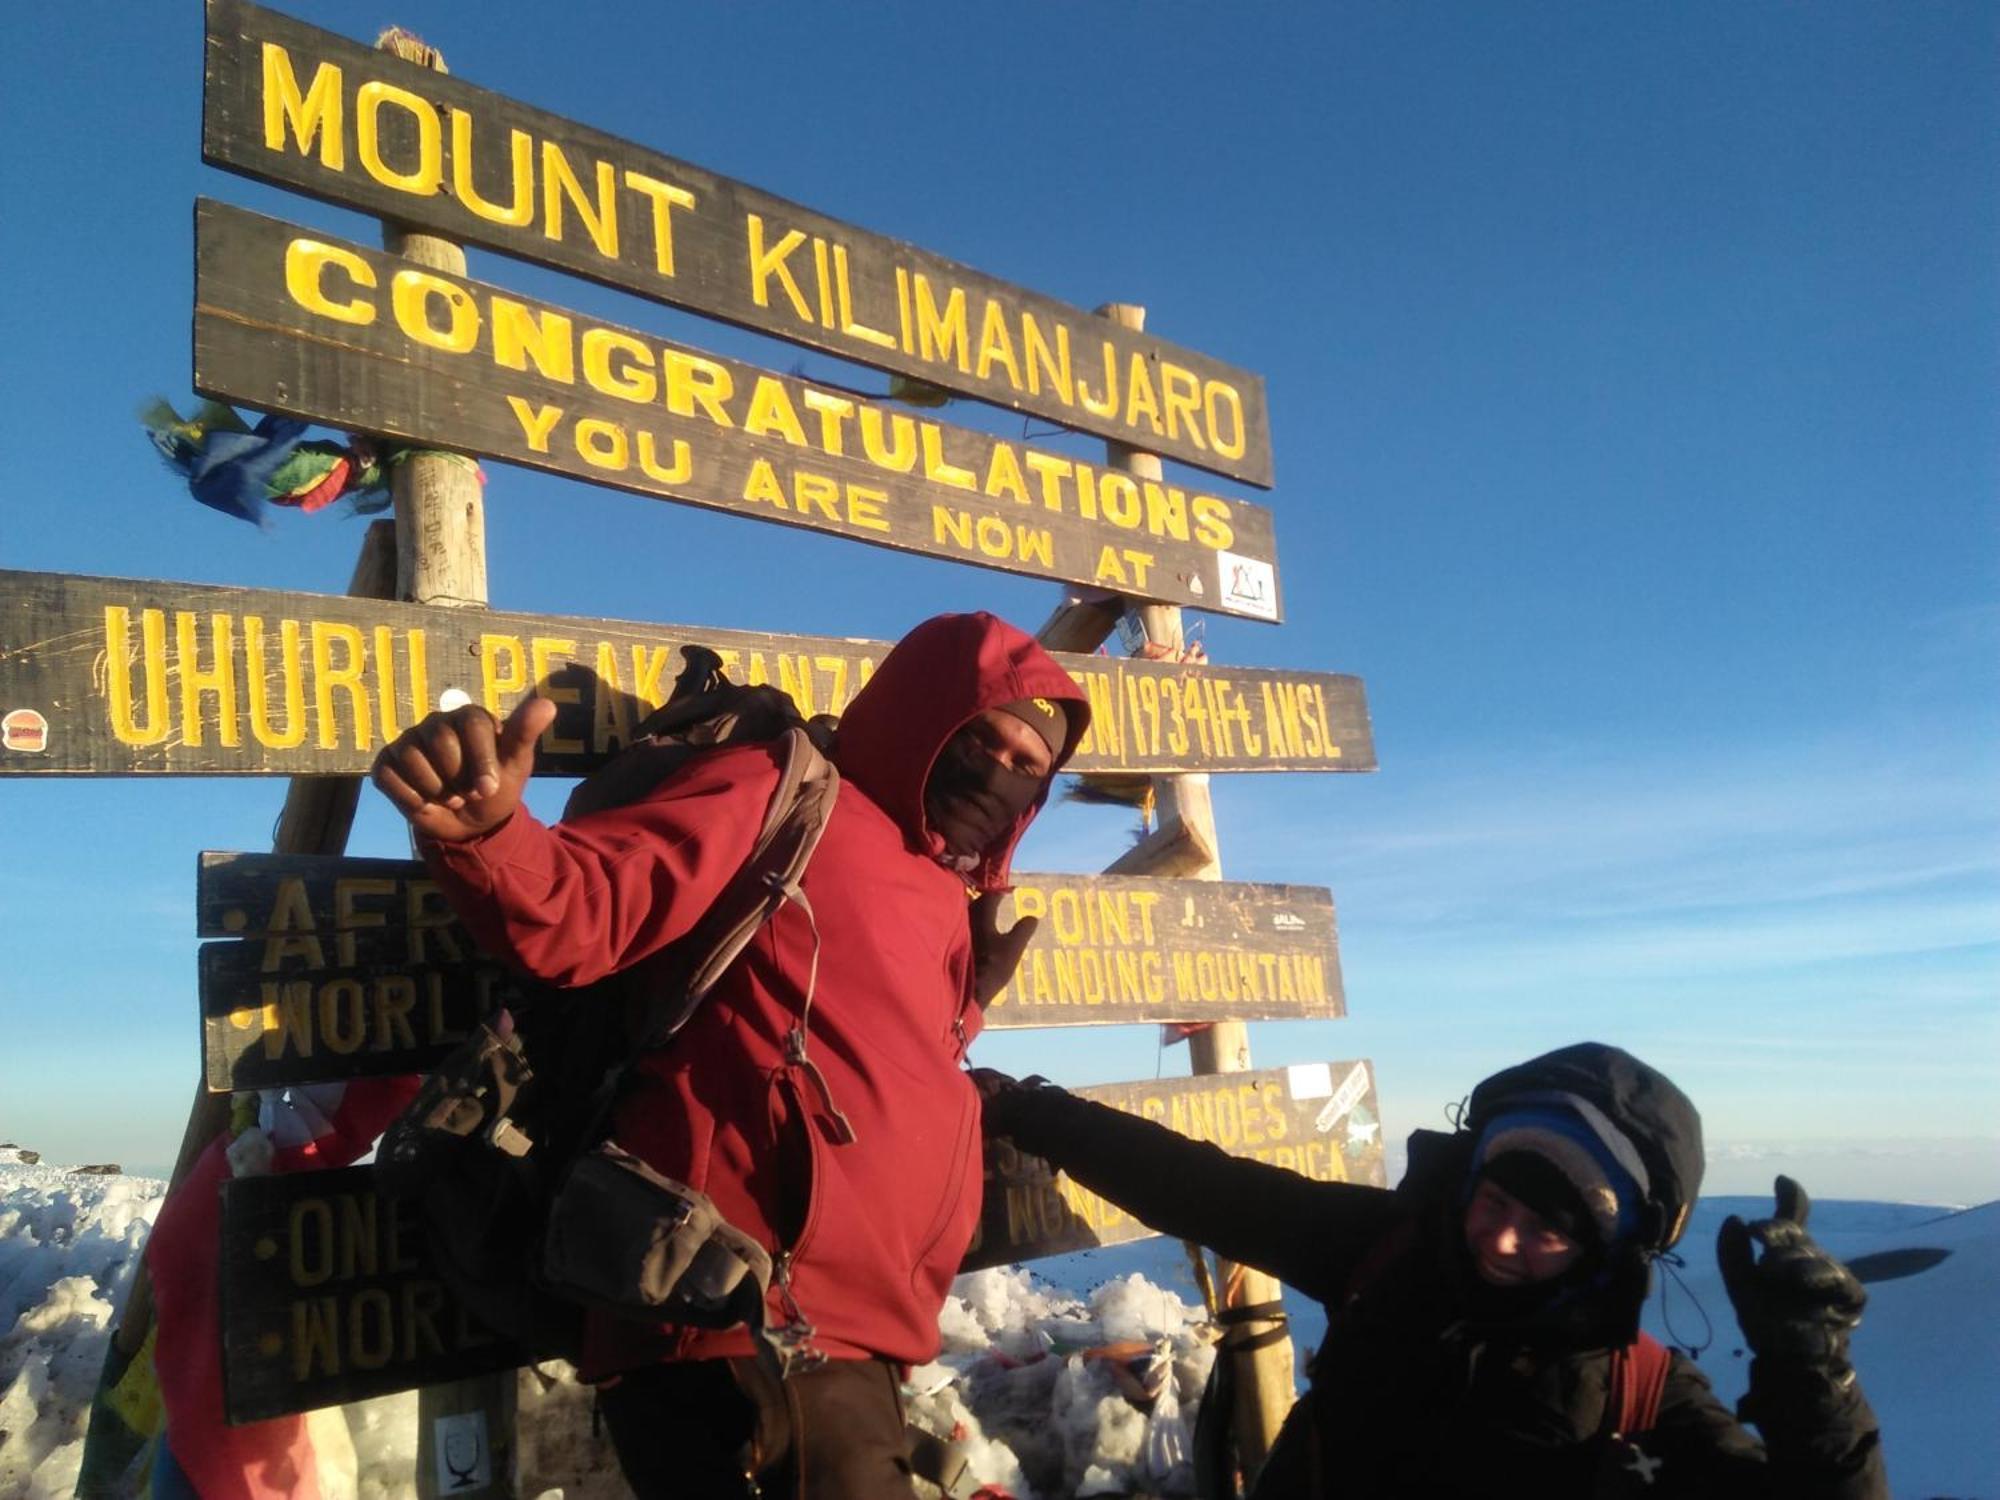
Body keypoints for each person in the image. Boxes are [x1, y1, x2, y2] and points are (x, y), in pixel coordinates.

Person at [371, 611, 1088, 1499]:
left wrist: (968, 999)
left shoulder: (942, 887)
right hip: (727, 1315)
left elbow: (850, 1054)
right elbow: (586, 911)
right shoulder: (784, 789)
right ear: (921, 717)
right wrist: (485, 833)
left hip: (856, 1334)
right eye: (982, 739)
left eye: (1030, 767)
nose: (1000, 773)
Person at [979, 1042, 1887, 1498]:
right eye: (1495, 1201)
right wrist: (1035, 1111)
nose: (1498, 1241)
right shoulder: (1392, 1250)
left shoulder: (1643, 1399)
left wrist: (1816, 1386)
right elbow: (1200, 1187)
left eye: (1547, 1229)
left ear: (1612, 1251)